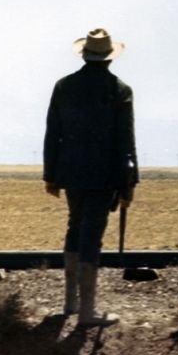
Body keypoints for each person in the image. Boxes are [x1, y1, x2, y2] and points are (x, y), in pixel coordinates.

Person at [43, 29, 138, 327]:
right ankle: (87, 314)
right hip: (103, 176)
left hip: (70, 173)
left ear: (85, 54)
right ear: (109, 58)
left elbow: (53, 134)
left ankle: (70, 304)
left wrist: (51, 176)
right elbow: (126, 143)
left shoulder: (64, 86)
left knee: (74, 227)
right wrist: (129, 183)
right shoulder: (120, 90)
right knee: (91, 236)